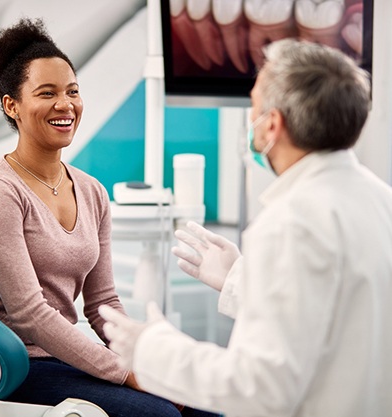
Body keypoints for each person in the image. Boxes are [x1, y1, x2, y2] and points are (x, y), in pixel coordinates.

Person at [100, 38, 392, 416]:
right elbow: (339, 318)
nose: (249, 122)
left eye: (253, 107)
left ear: (272, 125)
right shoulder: (381, 201)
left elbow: (259, 386)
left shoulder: (291, 222)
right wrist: (242, 281)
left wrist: (153, 349)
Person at [0, 18, 218, 417]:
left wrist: (144, 357)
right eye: (47, 93)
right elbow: (30, 315)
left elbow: (103, 303)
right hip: (8, 366)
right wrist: (126, 373)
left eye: (72, 92)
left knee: (207, 404)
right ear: (12, 105)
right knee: (158, 415)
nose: (65, 105)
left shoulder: (92, 190)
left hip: (63, 358)